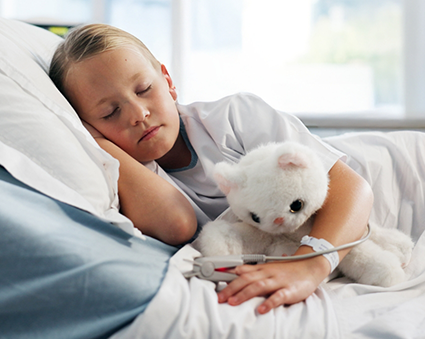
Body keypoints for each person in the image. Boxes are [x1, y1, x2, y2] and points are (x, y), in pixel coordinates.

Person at [49, 23, 373, 315]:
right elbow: (177, 224)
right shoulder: (130, 177)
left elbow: (352, 188)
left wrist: (309, 266)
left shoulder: (235, 117)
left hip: (389, 169)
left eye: (144, 89)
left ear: (168, 81)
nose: (138, 114)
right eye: (109, 113)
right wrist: (97, 144)